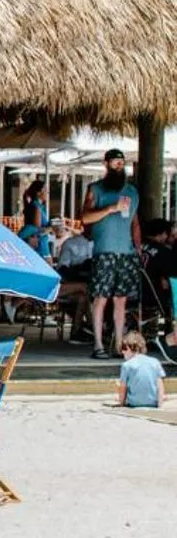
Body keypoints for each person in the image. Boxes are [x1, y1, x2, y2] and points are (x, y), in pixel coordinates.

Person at [81, 148, 143, 359]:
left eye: (121, 163)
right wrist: (110, 209)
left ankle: (118, 345)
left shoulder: (132, 192)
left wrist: (138, 247)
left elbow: (134, 223)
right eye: (115, 162)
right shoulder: (95, 189)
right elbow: (85, 219)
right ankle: (98, 344)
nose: (119, 166)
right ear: (106, 164)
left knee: (121, 301)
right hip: (104, 251)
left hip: (126, 252)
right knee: (101, 298)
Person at [116, 329, 165, 409]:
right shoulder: (155, 362)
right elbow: (160, 385)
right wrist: (160, 404)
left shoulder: (126, 365)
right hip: (153, 403)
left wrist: (121, 403)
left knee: (121, 384)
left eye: (124, 348)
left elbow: (123, 388)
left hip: (134, 404)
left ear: (132, 347)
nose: (122, 352)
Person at [19, 178, 53, 260]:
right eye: (45, 190)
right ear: (38, 193)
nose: (47, 193)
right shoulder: (36, 207)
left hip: (42, 244)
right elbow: (37, 230)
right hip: (40, 246)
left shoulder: (41, 207)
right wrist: (52, 228)